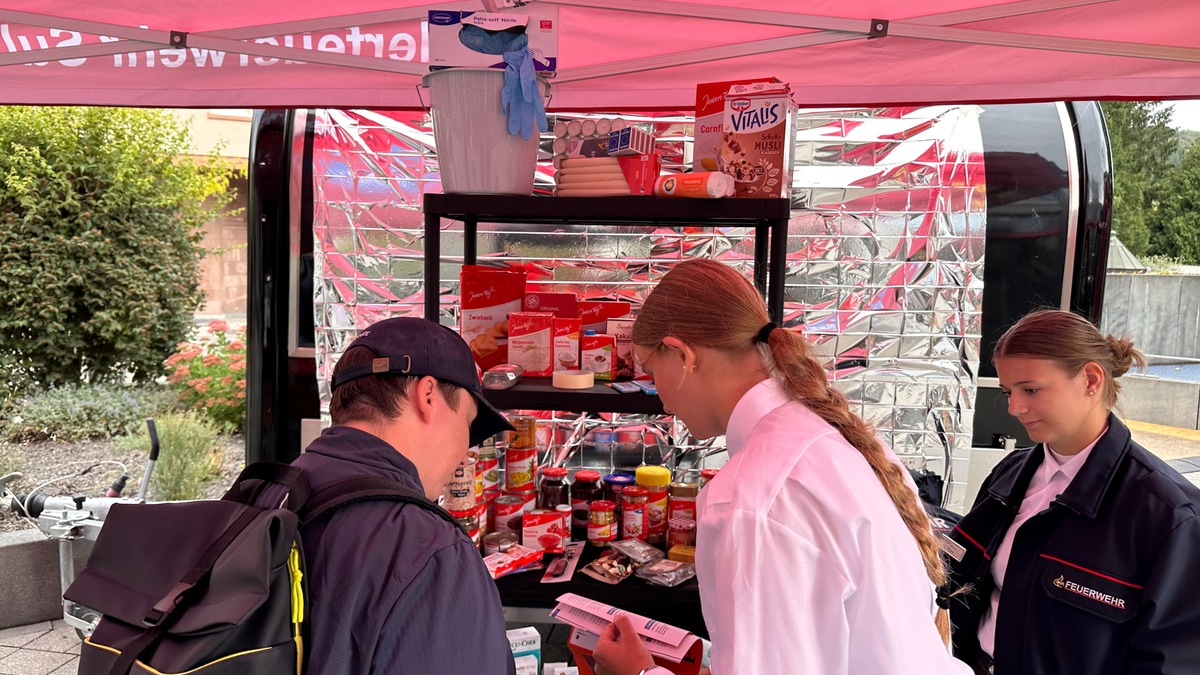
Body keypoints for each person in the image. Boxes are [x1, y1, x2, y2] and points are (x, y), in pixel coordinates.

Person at [592, 259, 970, 675]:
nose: (659, 398)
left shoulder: (752, 499)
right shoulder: (836, 436)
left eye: (650, 370)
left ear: (682, 355)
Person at [252, 317, 517, 675]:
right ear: (427, 396)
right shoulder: (431, 550)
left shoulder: (261, 495)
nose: (464, 455)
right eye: (468, 425)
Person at [944, 309, 1200, 674]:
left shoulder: (1169, 518)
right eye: (1007, 391)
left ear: (1091, 379)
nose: (1014, 408)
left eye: (1030, 389)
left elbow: (1171, 663)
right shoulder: (1008, 475)